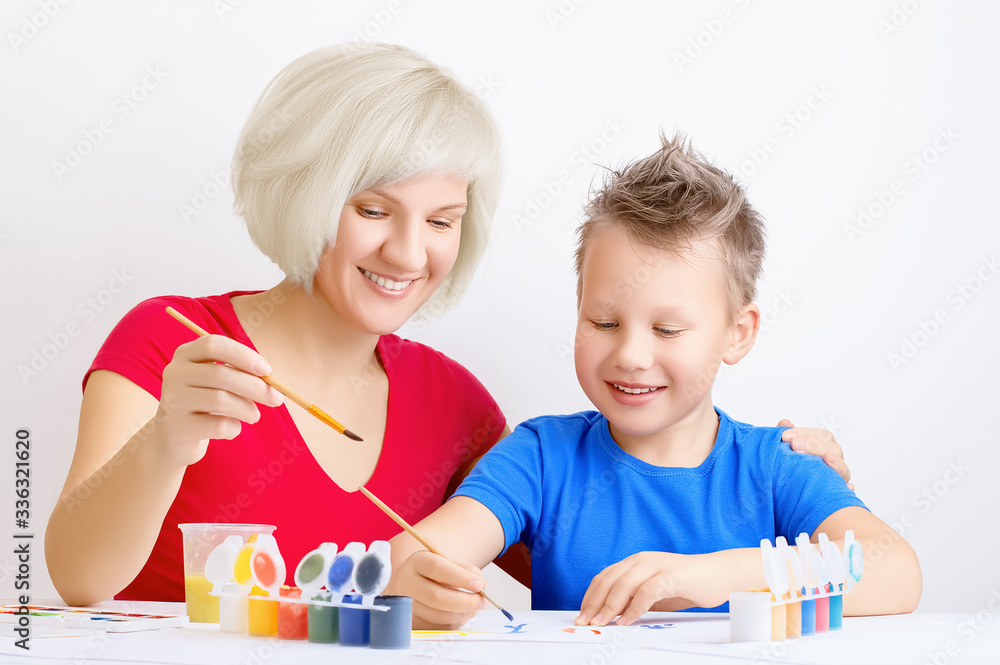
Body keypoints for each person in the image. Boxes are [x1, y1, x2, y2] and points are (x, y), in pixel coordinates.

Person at [45, 43, 849, 607]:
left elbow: (603, 564)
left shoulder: (460, 406)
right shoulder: (172, 337)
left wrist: (784, 501)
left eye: (442, 218)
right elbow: (77, 578)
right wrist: (165, 442)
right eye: (371, 209)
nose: (408, 249)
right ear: (302, 192)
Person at [385, 134, 921, 629]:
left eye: (667, 329)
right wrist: (416, 584)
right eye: (603, 322)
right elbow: (416, 556)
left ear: (737, 334)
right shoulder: (541, 458)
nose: (631, 356)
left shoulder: (778, 466)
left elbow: (895, 572)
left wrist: (710, 576)